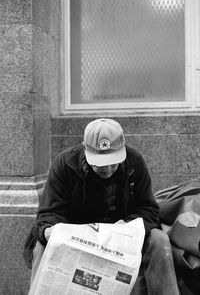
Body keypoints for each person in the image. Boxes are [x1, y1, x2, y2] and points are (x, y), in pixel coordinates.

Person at [24, 118, 180, 295]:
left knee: (159, 240)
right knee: (42, 246)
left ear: (123, 149)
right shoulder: (64, 164)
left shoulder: (134, 162)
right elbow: (48, 213)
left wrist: (128, 226)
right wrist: (49, 231)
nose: (108, 168)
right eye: (100, 163)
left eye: (114, 161)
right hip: (78, 234)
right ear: (85, 148)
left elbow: (148, 209)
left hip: (121, 233)